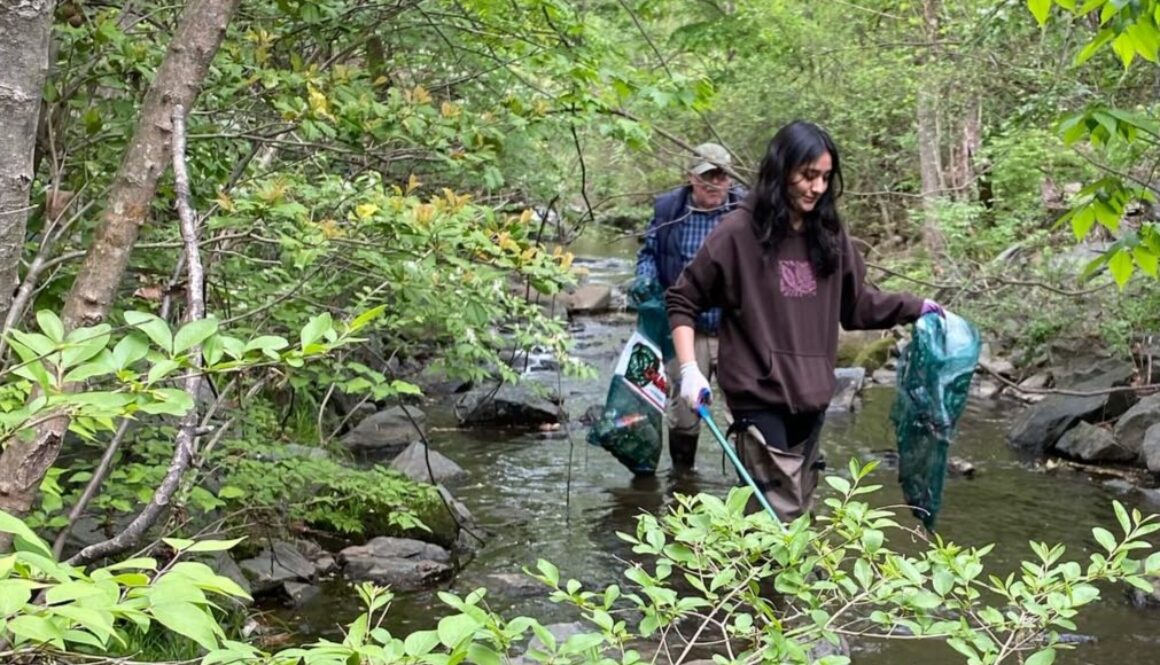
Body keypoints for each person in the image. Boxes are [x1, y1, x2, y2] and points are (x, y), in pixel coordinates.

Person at [665, 121, 945, 521]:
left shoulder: (829, 234)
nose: (817, 188)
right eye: (808, 176)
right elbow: (682, 297)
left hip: (812, 397)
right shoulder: (739, 232)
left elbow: (857, 307)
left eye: (826, 178)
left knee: (795, 518)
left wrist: (917, 306)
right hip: (757, 398)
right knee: (781, 522)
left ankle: (748, 580)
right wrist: (691, 370)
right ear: (781, 172)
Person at [634, 143, 747, 475]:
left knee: (747, 413)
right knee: (685, 415)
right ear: (690, 178)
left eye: (721, 176)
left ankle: (750, 489)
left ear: (730, 178)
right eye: (706, 177)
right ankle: (683, 483)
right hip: (686, 330)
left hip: (736, 330)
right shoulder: (670, 209)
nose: (714, 184)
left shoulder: (749, 211)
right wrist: (644, 279)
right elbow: (649, 254)